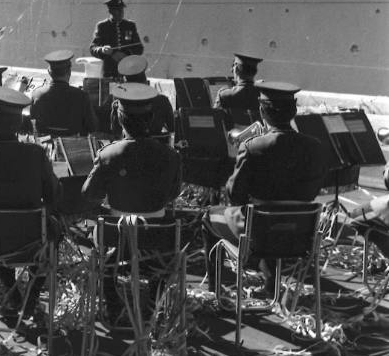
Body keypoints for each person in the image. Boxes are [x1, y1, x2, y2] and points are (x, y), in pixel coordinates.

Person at [203, 81, 326, 292]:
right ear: (294, 111)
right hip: (299, 230)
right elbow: (313, 189)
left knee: (208, 217)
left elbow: (234, 195)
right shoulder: (315, 147)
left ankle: (215, 289)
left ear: (262, 111)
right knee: (270, 212)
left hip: (259, 234)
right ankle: (271, 281)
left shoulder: (252, 147)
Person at [0, 86, 60, 316]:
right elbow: (53, 196)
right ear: (18, 124)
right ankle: (32, 296)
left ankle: (13, 292)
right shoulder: (35, 154)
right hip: (34, 240)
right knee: (53, 228)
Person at [82, 83, 181, 216]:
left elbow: (90, 193)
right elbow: (173, 193)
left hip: (115, 232)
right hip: (158, 233)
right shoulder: (171, 155)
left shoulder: (107, 155)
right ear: (150, 118)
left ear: (120, 119)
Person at [30, 50, 98, 136]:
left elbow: (32, 120)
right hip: (73, 144)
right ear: (69, 72)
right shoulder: (81, 96)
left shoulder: (37, 93)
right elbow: (92, 126)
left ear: (49, 72)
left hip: (45, 143)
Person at [107, 55, 174, 139]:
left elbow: (115, 132)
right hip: (155, 147)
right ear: (146, 82)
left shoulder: (119, 102)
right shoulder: (162, 100)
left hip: (128, 148)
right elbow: (172, 129)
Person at [90, 0, 144, 79]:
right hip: (110, 72)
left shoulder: (130, 26)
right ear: (110, 11)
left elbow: (139, 48)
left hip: (129, 71)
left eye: (121, 10)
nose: (120, 12)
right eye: (117, 10)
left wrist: (126, 55)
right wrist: (103, 50)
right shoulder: (102, 26)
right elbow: (93, 48)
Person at [214, 53, 263, 129]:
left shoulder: (224, 95)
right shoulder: (264, 93)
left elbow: (217, 122)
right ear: (255, 72)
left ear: (236, 69)